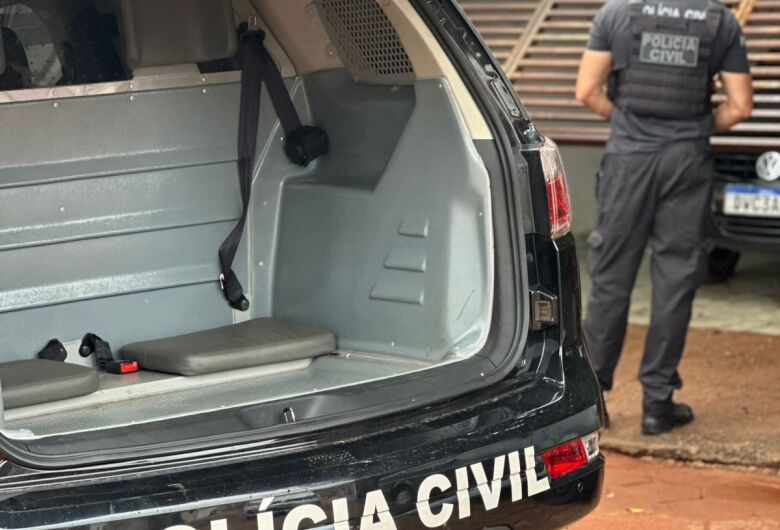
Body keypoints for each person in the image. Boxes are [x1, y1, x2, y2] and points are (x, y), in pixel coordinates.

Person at [575, 0, 753, 435]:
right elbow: (740, 106)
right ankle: (657, 405)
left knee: (611, 276)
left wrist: (631, 125)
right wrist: (693, 130)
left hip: (629, 160)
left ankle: (592, 403)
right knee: (676, 278)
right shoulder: (720, 21)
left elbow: (587, 91)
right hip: (686, 161)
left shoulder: (616, 14)